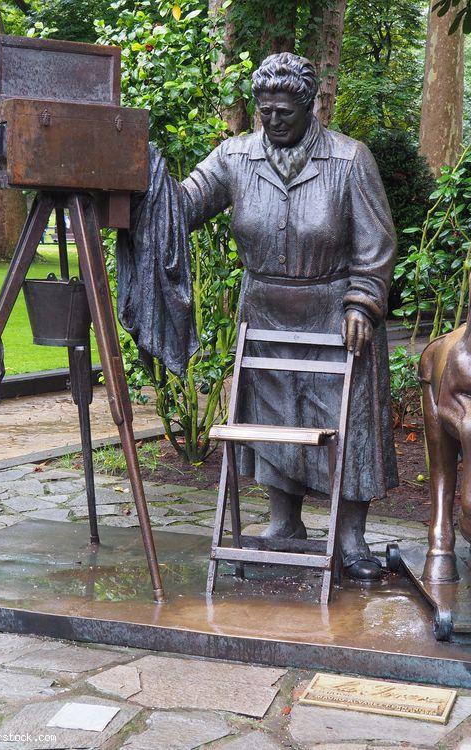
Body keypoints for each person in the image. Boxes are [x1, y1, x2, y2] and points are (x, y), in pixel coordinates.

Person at [175, 52, 399, 581]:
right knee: (273, 418)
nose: (272, 120)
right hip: (266, 313)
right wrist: (137, 176)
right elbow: (182, 204)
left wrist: (363, 301)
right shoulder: (234, 158)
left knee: (345, 421)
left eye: (283, 111)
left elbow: (377, 243)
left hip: (333, 312)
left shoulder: (349, 159)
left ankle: (349, 536)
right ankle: (284, 523)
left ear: (308, 106)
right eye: (263, 110)